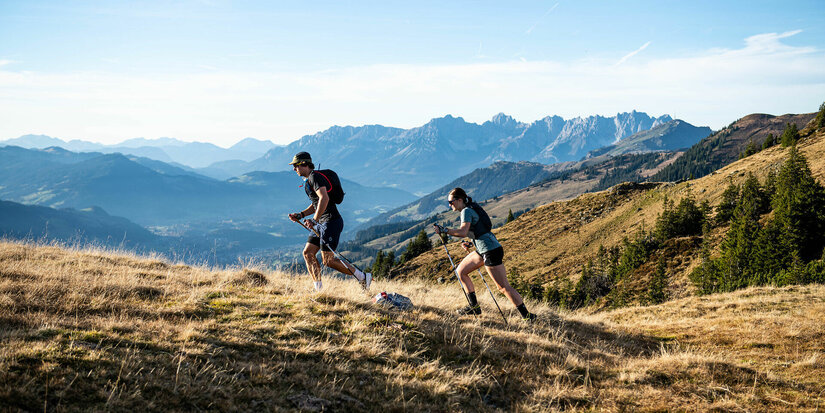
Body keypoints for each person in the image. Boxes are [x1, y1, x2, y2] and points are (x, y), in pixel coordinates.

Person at [434, 187, 536, 321]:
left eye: (451, 202)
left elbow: (463, 232)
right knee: (461, 272)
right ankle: (474, 307)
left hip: (490, 251)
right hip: (484, 249)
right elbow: (481, 230)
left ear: (459, 200)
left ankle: (528, 316)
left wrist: (445, 230)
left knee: (503, 287)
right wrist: (471, 243)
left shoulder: (466, 211)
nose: (449, 205)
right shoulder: (471, 208)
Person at [287, 152, 371, 291]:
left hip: (331, 222)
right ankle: (318, 290)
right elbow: (316, 203)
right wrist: (300, 214)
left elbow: (324, 199)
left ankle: (363, 277)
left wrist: (313, 221)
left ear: (303, 164)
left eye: (295, 165)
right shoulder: (310, 180)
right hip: (321, 223)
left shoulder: (315, 177)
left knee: (329, 261)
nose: (294, 169)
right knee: (308, 253)